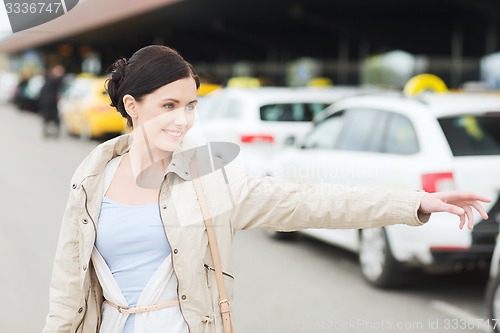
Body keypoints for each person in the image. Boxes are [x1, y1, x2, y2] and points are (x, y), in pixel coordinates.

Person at [42, 45, 490, 333]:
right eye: (169, 106)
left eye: (191, 106)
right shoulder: (91, 180)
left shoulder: (206, 178)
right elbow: (67, 291)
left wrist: (413, 201)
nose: (183, 119)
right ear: (132, 106)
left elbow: (309, 201)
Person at [39, 64, 65, 138]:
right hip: (47, 101)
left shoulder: (59, 80)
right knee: (47, 117)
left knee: (55, 118)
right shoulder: (50, 78)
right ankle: (47, 131)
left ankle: (54, 132)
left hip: (53, 102)